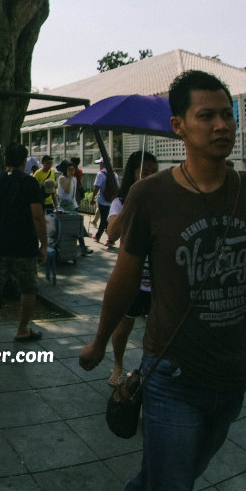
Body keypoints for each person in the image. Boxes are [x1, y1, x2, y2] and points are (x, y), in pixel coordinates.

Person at [79, 71, 246, 491]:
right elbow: (122, 280)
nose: (222, 125)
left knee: (185, 468)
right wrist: (100, 342)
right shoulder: (150, 196)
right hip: (172, 374)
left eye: (227, 115)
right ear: (179, 126)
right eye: (207, 116)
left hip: (234, 374)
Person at [0, 142, 48, 349]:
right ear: (24, 161)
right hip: (25, 245)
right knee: (29, 288)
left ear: (5, 160)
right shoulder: (30, 184)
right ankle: (23, 330)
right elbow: (38, 216)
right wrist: (44, 244)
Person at [103, 150, 158, 386]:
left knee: (158, 331)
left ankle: (151, 371)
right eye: (144, 173)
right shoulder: (120, 202)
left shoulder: (164, 200)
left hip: (158, 278)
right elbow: (112, 233)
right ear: (132, 175)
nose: (149, 178)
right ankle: (117, 364)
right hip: (132, 278)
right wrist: (133, 199)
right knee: (123, 326)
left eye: (154, 174)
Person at [91, 158, 119, 244]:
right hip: (111, 200)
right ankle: (110, 238)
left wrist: (92, 198)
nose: (99, 165)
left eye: (100, 163)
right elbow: (117, 187)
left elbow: (97, 187)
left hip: (102, 200)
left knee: (104, 219)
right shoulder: (114, 174)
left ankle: (101, 237)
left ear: (103, 164)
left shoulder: (100, 174)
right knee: (107, 219)